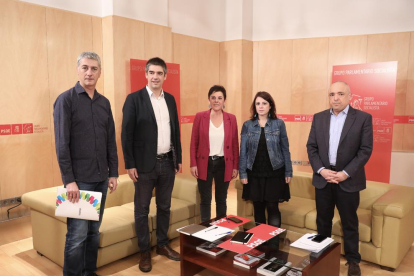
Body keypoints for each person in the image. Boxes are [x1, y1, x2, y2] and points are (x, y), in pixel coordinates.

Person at [53, 51, 118, 276]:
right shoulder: (66, 100)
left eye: (94, 68)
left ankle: (89, 272)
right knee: (77, 235)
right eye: (85, 68)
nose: (89, 72)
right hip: (78, 182)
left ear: (100, 72)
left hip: (101, 178)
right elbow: (62, 144)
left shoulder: (104, 103)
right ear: (77, 69)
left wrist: (114, 173)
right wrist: (68, 180)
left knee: (93, 233)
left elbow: (111, 140)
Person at [121, 57, 182, 273]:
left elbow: (175, 131)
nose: (155, 77)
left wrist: (179, 158)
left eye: (159, 73)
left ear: (165, 76)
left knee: (164, 207)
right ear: (146, 74)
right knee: (142, 210)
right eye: (152, 73)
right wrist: (130, 164)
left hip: (167, 162)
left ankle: (163, 244)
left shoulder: (171, 100)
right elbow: (126, 135)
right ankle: (144, 251)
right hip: (144, 166)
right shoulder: (134, 99)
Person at [306, 81, 373, 276]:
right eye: (332, 94)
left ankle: (353, 261)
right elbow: (311, 147)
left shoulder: (362, 118)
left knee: (349, 223)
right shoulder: (318, 118)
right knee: (323, 222)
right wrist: (321, 170)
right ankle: (322, 255)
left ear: (349, 96)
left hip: (348, 180)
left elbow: (365, 150)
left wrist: (345, 173)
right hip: (324, 179)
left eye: (340, 94)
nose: (336, 98)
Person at [239, 91, 292, 230]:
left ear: (270, 106)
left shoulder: (279, 124)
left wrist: (288, 171)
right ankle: (261, 242)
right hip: (254, 173)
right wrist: (243, 173)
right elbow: (243, 152)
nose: (261, 106)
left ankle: (274, 243)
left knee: (272, 206)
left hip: (275, 172)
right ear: (254, 106)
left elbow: (285, 149)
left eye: (264, 103)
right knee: (258, 207)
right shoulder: (247, 125)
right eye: (258, 103)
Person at [190, 85, 239, 222]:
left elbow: (235, 144)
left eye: (220, 98)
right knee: (205, 199)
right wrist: (193, 164)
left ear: (224, 101)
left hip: (224, 163)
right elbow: (194, 141)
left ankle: (221, 230)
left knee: (221, 199)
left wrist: (235, 166)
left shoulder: (231, 118)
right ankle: (205, 230)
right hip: (204, 163)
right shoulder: (200, 117)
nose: (216, 101)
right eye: (213, 98)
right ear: (209, 99)